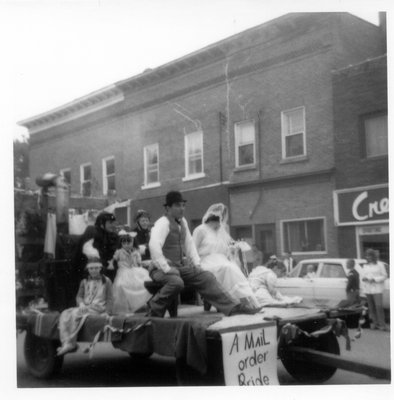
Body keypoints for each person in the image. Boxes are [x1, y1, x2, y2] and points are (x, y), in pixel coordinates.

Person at [148, 191, 260, 317]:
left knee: (206, 276)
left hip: (178, 267)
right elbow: (154, 246)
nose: (181, 209)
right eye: (177, 206)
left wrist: (197, 264)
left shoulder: (182, 222)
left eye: (183, 205)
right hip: (159, 269)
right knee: (176, 282)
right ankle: (154, 308)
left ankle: (232, 307)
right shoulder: (163, 223)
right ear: (168, 208)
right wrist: (166, 268)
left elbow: (189, 244)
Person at [192, 203, 259, 308]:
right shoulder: (200, 230)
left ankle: (246, 301)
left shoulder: (221, 231)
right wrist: (196, 265)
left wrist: (233, 249)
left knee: (233, 267)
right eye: (221, 222)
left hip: (221, 260)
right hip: (206, 262)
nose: (222, 225)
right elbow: (193, 250)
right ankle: (238, 303)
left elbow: (226, 249)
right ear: (215, 218)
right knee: (228, 268)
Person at [57, 244, 113, 356]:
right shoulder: (84, 282)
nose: (94, 271)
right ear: (88, 269)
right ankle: (66, 342)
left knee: (76, 314)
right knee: (65, 314)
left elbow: (109, 298)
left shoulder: (106, 281)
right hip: (86, 307)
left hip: (98, 308)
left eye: (96, 268)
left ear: (100, 268)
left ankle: (70, 343)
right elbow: (79, 296)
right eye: (91, 268)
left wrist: (107, 312)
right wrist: (81, 303)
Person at [111, 230, 152, 314]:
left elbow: (139, 261)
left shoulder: (136, 252)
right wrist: (111, 264)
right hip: (123, 271)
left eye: (129, 243)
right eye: (124, 243)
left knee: (142, 282)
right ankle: (126, 306)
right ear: (121, 244)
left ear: (133, 243)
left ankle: (140, 304)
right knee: (121, 285)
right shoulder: (119, 252)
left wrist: (140, 264)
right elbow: (114, 259)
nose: (126, 245)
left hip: (134, 270)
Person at [73, 211, 118, 283]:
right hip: (93, 269)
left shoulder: (113, 235)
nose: (113, 225)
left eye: (113, 223)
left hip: (109, 268)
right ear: (101, 223)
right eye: (110, 223)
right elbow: (88, 249)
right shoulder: (92, 230)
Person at [361, 248, 388, 331]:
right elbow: (362, 276)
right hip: (368, 289)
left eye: (369, 255)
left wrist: (375, 279)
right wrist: (364, 279)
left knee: (379, 306)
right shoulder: (365, 266)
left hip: (377, 288)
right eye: (367, 255)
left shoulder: (380, 265)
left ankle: (383, 325)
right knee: (371, 307)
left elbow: (385, 276)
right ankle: (375, 324)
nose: (368, 257)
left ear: (373, 256)